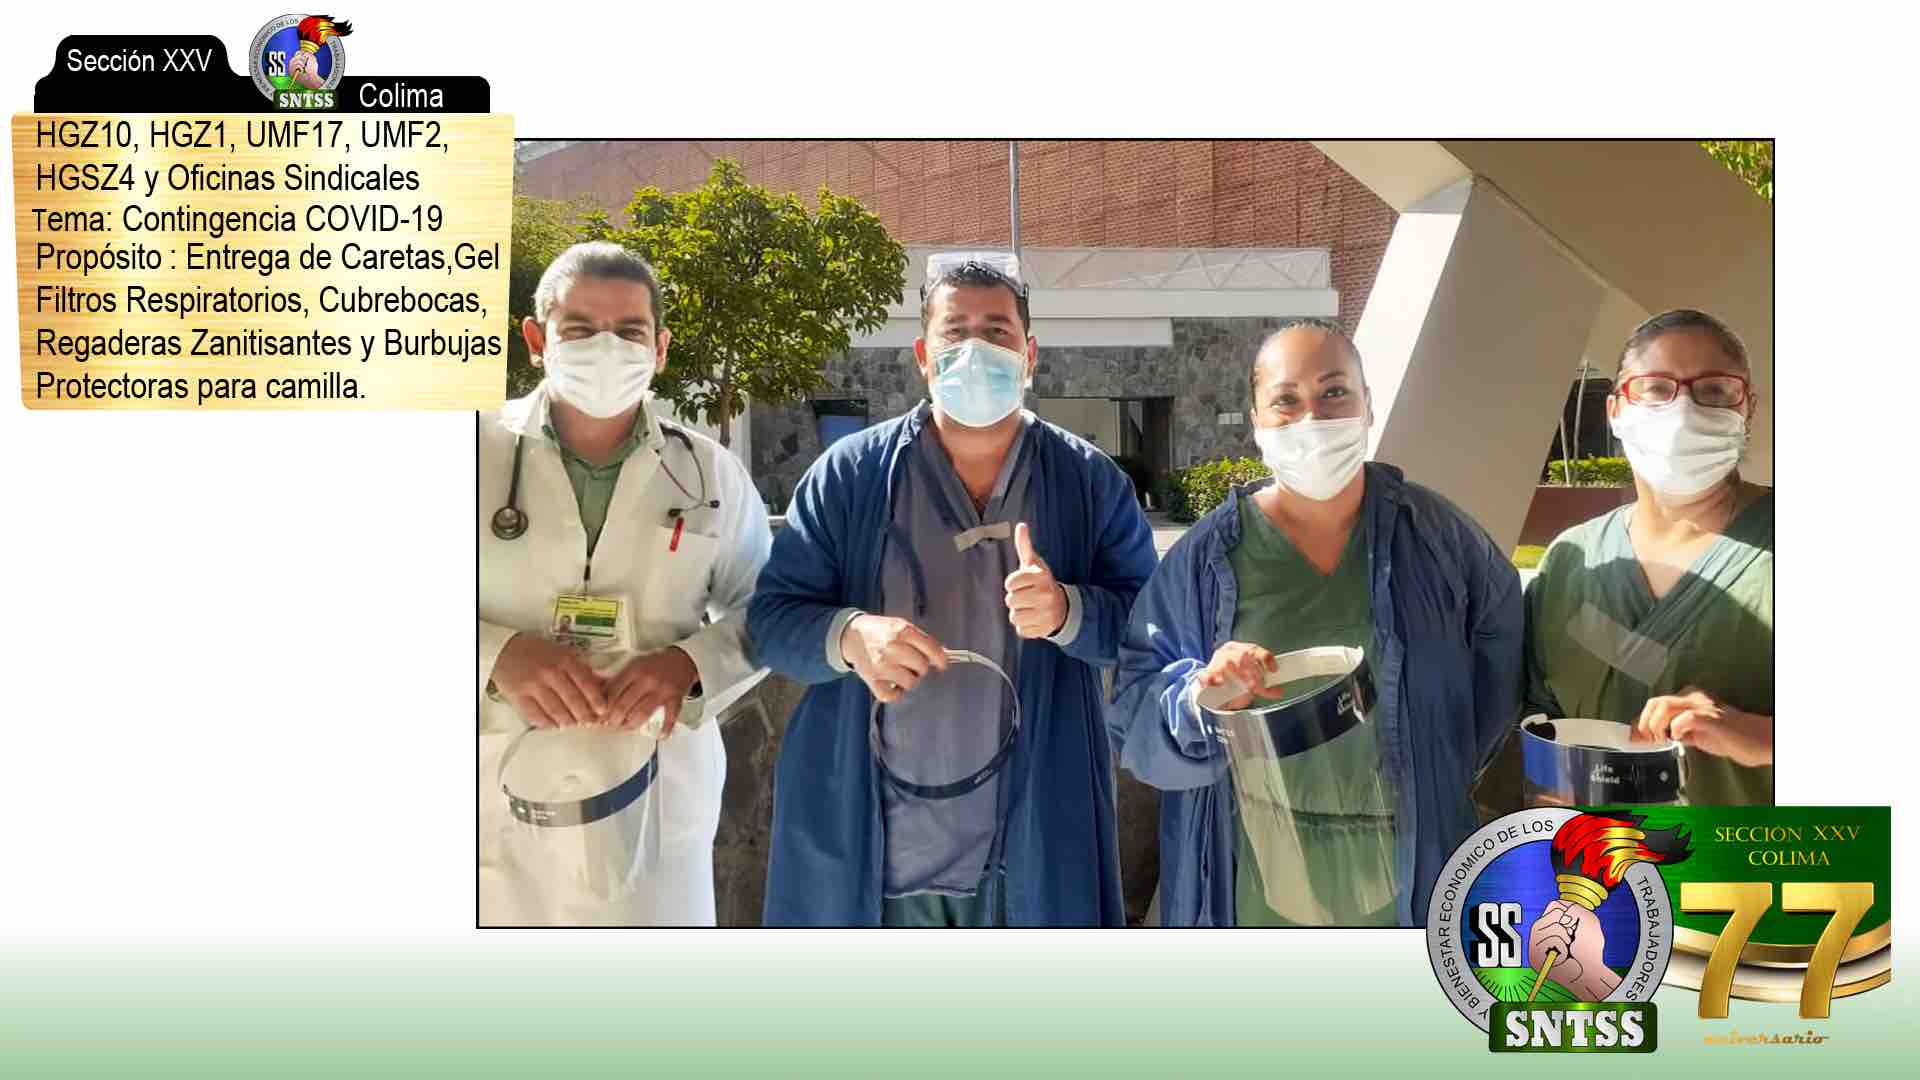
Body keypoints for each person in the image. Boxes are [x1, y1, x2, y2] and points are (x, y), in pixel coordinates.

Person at [748, 253, 1158, 926]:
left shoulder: (1087, 482)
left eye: (996, 332)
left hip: (1031, 850)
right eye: (955, 332)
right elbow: (771, 620)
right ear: (923, 355)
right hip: (878, 853)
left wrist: (1069, 611)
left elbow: (1150, 626)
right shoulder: (850, 476)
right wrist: (849, 635)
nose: (975, 350)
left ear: (1029, 355)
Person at [1110, 318, 1523, 927]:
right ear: (1257, 420)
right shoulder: (1205, 561)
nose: (1313, 418)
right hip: (1255, 890)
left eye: (1334, 392)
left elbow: (1500, 673)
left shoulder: (1438, 539)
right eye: (1286, 400)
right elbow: (1135, 711)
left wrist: (1438, 767)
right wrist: (1200, 699)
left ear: (1367, 405)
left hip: (1415, 883)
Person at [478, 242, 771, 925]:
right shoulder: (468, 451)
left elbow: (772, 608)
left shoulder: (709, 474)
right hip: (493, 798)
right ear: (536, 341)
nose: (606, 349)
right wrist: (495, 655)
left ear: (659, 348)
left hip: (653, 796)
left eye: (630, 332)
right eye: (580, 330)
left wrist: (691, 667)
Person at [1524, 309, 1773, 803]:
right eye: (1656, 388)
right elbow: (1540, 720)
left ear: (1747, 409)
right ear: (1615, 409)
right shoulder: (1573, 561)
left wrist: (1762, 736)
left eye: (1714, 390)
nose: (1683, 412)